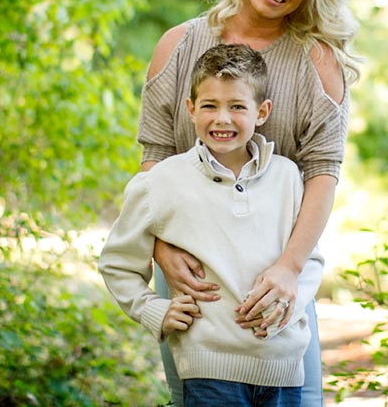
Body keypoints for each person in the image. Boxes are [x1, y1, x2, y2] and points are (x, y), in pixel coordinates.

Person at [138, 0, 359, 406]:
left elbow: (324, 173)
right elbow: (155, 158)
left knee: (298, 397)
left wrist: (288, 268)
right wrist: (161, 251)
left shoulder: (318, 62)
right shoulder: (178, 45)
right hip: (193, 268)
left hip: (277, 267)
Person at [100, 43, 324, 406]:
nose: (223, 119)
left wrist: (285, 311)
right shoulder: (163, 181)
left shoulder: (287, 177)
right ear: (190, 109)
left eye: (237, 106)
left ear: (262, 111)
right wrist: (152, 309)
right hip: (208, 373)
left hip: (282, 368)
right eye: (210, 106)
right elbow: (117, 262)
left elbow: (309, 261)